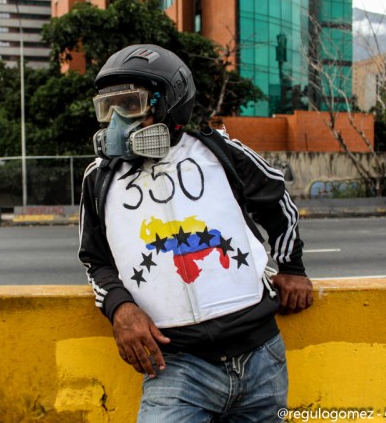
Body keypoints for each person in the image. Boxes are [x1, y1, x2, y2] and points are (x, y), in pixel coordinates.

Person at [78, 44, 313, 423]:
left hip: (261, 359)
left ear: (168, 101)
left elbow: (277, 199)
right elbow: (95, 261)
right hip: (176, 366)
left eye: (131, 104)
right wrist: (120, 308)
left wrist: (293, 267)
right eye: (110, 108)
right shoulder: (100, 178)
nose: (118, 120)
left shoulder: (219, 152)